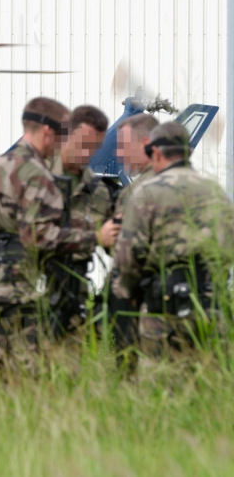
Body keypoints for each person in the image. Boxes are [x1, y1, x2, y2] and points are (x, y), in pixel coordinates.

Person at [0, 97, 100, 368]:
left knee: (3, 377)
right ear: (48, 131)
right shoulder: (37, 173)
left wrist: (5, 250)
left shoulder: (0, 166)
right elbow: (41, 236)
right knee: (32, 380)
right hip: (26, 292)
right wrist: (95, 237)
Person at [110, 122, 234, 362]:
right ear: (190, 152)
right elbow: (229, 249)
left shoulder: (146, 192)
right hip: (210, 308)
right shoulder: (215, 192)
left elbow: (128, 258)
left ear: (155, 153)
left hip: (162, 314)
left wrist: (126, 294)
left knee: (160, 385)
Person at [47, 105, 120, 336]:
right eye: (83, 144)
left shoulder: (99, 191)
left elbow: (114, 246)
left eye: (94, 147)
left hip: (72, 293)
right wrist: (94, 237)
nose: (87, 153)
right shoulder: (30, 176)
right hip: (22, 291)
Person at [107, 112, 159, 354]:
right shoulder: (204, 189)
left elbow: (121, 252)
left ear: (146, 144)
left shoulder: (135, 194)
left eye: (124, 146)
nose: (120, 154)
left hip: (146, 305)